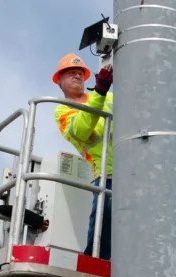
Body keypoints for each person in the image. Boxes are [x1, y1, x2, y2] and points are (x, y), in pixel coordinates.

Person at [52, 53, 114, 261]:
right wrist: (100, 92)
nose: (77, 75)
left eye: (80, 72)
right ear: (59, 80)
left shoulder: (109, 97)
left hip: (136, 168)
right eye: (70, 72)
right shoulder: (63, 110)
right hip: (108, 172)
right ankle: (94, 263)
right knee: (103, 226)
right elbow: (81, 130)